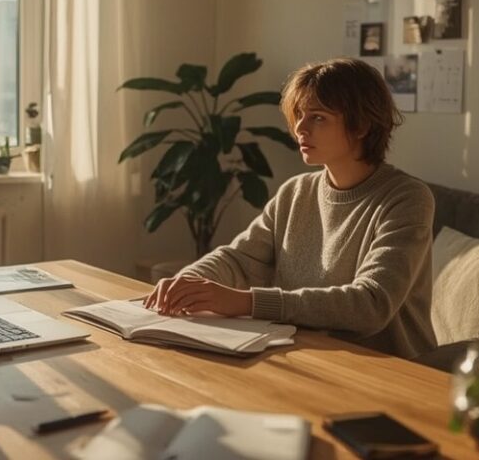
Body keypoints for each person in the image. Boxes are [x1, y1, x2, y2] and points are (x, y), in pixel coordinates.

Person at [143, 58, 437, 358]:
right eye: (298, 114)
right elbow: (238, 259)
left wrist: (246, 302)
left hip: (389, 369)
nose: (300, 128)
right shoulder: (296, 192)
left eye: (318, 117)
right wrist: (187, 283)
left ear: (361, 125)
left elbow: (370, 304)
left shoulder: (407, 198)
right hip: (305, 353)